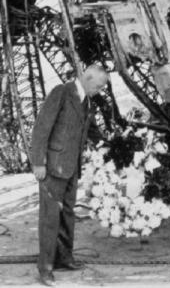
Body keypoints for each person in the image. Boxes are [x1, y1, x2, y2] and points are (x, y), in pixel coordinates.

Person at [31, 64, 109, 286]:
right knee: (49, 218)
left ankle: (65, 259)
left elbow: (91, 131)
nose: (101, 89)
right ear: (88, 77)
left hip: (71, 168)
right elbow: (41, 128)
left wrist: (112, 145)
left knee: (67, 215)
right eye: (99, 85)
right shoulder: (61, 92)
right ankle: (45, 268)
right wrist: (38, 162)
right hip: (53, 167)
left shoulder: (87, 101)